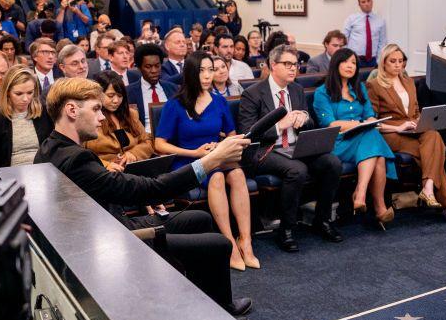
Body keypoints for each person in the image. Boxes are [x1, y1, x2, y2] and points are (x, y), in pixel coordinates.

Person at [34, 78, 253, 320]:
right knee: (219, 244)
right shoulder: (77, 159)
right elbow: (149, 189)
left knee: (198, 219)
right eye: (96, 109)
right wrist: (210, 161)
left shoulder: (50, 147)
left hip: (104, 229)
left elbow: (114, 190)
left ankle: (210, 304)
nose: (102, 117)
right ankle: (220, 316)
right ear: (72, 110)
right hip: (114, 242)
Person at [154, 51, 258, 271]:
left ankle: (245, 241)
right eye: (202, 70)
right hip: (189, 161)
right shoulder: (175, 104)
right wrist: (195, 153)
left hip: (217, 156)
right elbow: (159, 144)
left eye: (211, 69)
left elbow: (231, 134)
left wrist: (221, 147)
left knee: (238, 174)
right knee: (218, 177)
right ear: (191, 72)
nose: (208, 75)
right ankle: (228, 243)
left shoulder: (219, 101)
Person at [238, 44, 344, 252]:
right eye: (287, 64)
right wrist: (280, 125)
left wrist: (304, 119)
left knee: (332, 163)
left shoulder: (296, 89)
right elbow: (248, 134)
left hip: (296, 146)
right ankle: (286, 229)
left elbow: (310, 123)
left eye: (295, 64)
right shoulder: (253, 94)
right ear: (273, 65)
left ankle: (322, 220)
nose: (293, 68)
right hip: (265, 152)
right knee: (297, 169)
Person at [367, 45, 446, 229]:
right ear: (383, 62)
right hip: (391, 134)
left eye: (401, 61)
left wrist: (422, 121)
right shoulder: (374, 85)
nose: (398, 65)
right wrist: (399, 128)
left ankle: (428, 188)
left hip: (413, 129)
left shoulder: (408, 82)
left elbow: (414, 112)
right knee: (434, 157)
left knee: (433, 133)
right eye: (393, 61)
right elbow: (372, 122)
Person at [313, 48, 397, 227]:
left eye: (353, 63)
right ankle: (374, 204)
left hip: (362, 138)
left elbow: (369, 115)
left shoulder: (359, 88)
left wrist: (372, 121)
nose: (350, 66)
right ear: (336, 63)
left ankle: (363, 195)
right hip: (337, 143)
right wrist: (360, 124)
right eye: (346, 62)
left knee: (376, 148)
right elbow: (331, 124)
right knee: (374, 143)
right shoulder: (323, 92)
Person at [0, 66, 54, 179]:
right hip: (11, 179)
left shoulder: (45, 113)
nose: (25, 99)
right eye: (19, 94)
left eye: (30, 93)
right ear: (8, 92)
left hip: (43, 175)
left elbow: (54, 151)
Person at [87, 70, 155, 167]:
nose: (116, 101)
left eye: (120, 96)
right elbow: (83, 154)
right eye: (110, 96)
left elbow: (147, 141)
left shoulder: (131, 114)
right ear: (97, 94)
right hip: (105, 172)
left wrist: (133, 154)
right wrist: (106, 165)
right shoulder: (89, 118)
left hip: (133, 168)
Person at [127, 43, 178, 134]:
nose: (154, 71)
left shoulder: (174, 89)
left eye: (157, 66)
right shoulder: (128, 92)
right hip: (144, 140)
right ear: (139, 68)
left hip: (173, 138)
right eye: (148, 67)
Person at [343, 0, 387, 68]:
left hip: (372, 60)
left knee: (371, 80)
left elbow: (382, 42)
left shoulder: (380, 21)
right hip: (355, 59)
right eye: (363, 2)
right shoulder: (351, 19)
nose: (366, 4)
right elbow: (344, 39)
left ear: (372, 2)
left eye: (368, 1)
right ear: (359, 5)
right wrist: (346, 57)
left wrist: (379, 60)